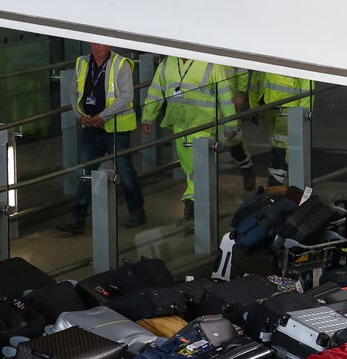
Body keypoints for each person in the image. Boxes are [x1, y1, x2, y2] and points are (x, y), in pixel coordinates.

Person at [56, 43, 147, 235]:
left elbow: (127, 96)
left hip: (116, 128)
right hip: (90, 126)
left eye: (101, 43)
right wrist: (78, 113)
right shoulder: (82, 62)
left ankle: (137, 212)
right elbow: (74, 91)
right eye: (94, 43)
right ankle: (78, 218)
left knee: (125, 171)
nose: (97, 47)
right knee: (86, 172)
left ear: (109, 44)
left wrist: (103, 116)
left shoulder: (120, 64)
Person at [140, 57, 238, 225]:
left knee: (199, 168)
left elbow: (225, 96)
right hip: (180, 125)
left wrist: (231, 126)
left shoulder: (211, 64)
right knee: (189, 167)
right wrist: (148, 116)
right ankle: (196, 206)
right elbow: (156, 90)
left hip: (204, 126)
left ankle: (193, 205)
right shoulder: (167, 64)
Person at [250, 71, 312, 187]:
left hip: (289, 106)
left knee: (282, 144)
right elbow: (256, 79)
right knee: (276, 142)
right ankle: (280, 179)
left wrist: (303, 111)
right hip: (267, 104)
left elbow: (307, 83)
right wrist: (254, 105)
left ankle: (279, 178)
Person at [221, 64, 257, 191]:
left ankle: (246, 168)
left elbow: (241, 66)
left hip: (228, 99)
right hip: (206, 100)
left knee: (233, 140)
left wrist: (241, 93)